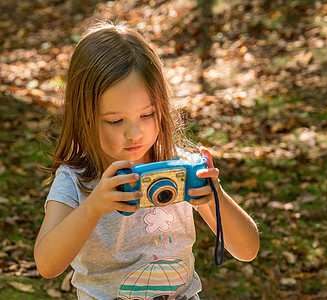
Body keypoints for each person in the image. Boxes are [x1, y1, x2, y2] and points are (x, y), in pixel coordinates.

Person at [34, 21, 259, 300]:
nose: (134, 133)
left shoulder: (180, 167)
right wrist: (93, 207)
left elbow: (247, 250)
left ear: (162, 108)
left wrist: (215, 197)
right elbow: (47, 264)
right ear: (85, 118)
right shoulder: (76, 180)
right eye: (115, 120)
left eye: (147, 115)